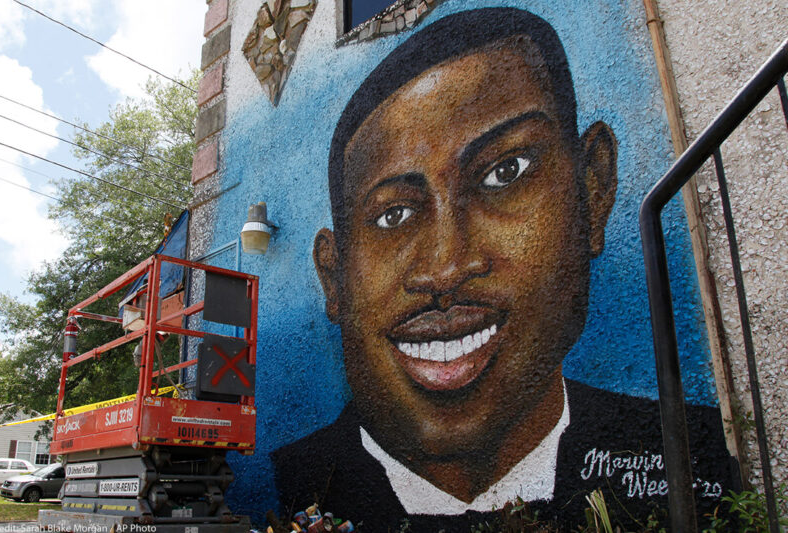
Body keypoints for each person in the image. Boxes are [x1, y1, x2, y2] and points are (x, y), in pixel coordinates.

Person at [273, 8, 734, 530]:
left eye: (504, 172)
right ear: (334, 278)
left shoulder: (693, 452)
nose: (447, 267)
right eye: (393, 214)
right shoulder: (286, 482)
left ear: (592, 191)